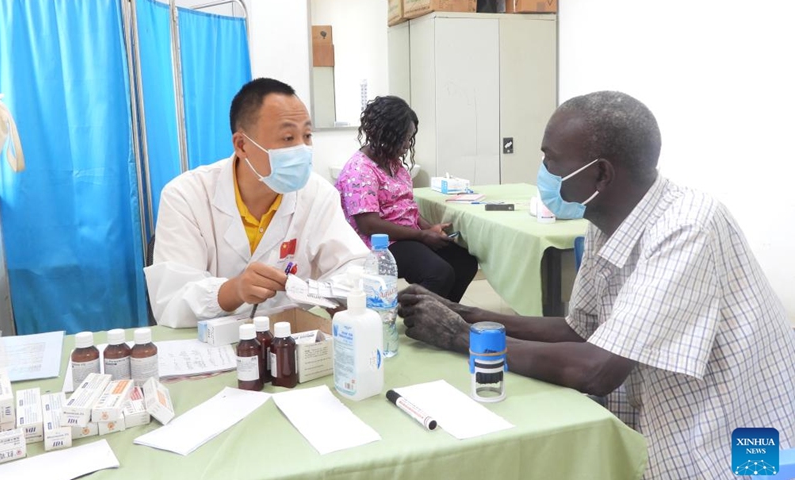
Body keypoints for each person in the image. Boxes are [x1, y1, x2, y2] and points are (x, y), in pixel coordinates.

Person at [398, 91, 795, 479]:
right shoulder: (605, 222)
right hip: (662, 426)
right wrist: (466, 313)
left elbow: (598, 369)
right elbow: (581, 329)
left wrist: (461, 337)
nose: (543, 171)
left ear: (601, 174)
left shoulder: (687, 228)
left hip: (731, 448)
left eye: (551, 160)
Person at [145, 78, 368, 328]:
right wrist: (234, 290)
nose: (302, 149)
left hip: (290, 337)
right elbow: (171, 301)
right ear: (242, 145)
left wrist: (322, 291)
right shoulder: (186, 196)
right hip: (209, 342)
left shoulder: (318, 194)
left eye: (307, 136)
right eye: (287, 137)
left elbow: (357, 268)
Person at [335, 95, 478, 303]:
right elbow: (369, 225)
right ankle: (413, 313)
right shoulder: (360, 170)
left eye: (410, 138)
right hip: (378, 244)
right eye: (403, 138)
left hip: (406, 237)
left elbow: (405, 207)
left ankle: (442, 314)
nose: (407, 144)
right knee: (439, 273)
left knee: (464, 263)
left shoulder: (393, 164)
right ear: (385, 133)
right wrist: (421, 236)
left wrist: (429, 228)